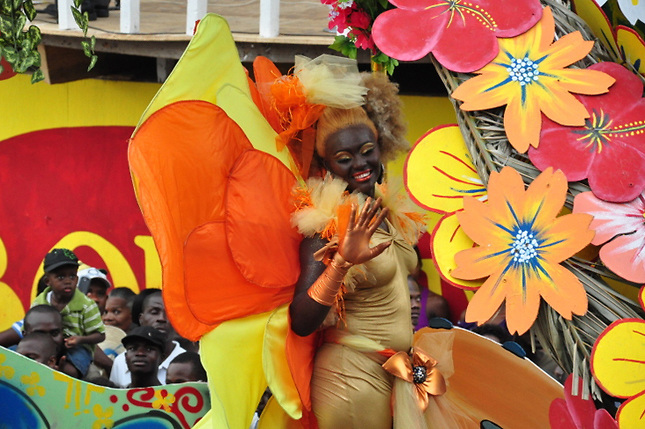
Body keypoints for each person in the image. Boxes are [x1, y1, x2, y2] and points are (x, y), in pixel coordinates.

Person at [288, 66, 424, 428]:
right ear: (325, 165)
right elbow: (301, 321)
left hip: (397, 371)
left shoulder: (387, 210)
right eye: (344, 159)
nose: (360, 165)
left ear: (383, 144)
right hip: (351, 378)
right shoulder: (325, 224)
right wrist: (341, 264)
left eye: (367, 150)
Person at [32, 248, 106, 379]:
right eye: (60, 276)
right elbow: (28, 331)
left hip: (78, 348)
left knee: (69, 372)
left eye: (72, 276)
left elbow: (100, 335)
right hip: (45, 346)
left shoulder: (86, 305)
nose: (68, 281)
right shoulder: (39, 303)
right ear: (48, 281)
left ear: (77, 279)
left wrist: (80, 339)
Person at [109, 289, 185, 387]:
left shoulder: (190, 362)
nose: (161, 318)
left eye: (169, 313)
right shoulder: (121, 361)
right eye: (154, 312)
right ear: (141, 319)